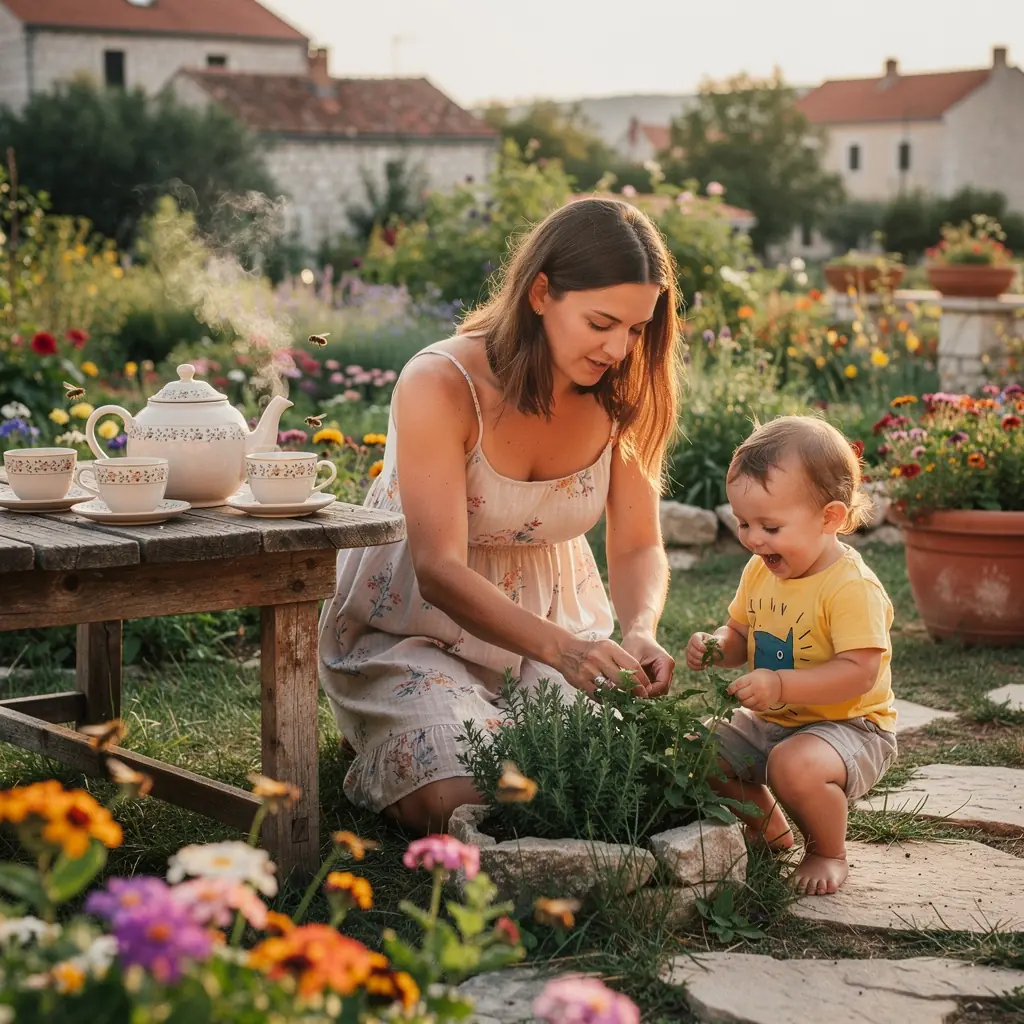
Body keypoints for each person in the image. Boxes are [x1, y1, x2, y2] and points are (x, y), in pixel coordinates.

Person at [319, 197, 683, 834]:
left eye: (636, 329)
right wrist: (565, 652)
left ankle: (452, 728)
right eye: (602, 322)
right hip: (414, 629)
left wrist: (642, 628)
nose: (620, 349)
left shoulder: (624, 394)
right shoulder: (442, 382)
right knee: (464, 790)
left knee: (613, 765)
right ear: (541, 293)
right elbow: (436, 569)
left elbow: (636, 545)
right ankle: (400, 734)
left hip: (554, 626)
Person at [686, 416, 897, 896]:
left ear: (830, 518)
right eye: (743, 523)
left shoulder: (850, 587)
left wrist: (780, 686)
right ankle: (768, 828)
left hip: (851, 727)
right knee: (699, 745)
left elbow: (858, 674)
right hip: (775, 721)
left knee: (793, 765)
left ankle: (827, 850)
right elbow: (740, 632)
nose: (754, 539)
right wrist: (718, 645)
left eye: (771, 526)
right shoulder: (761, 570)